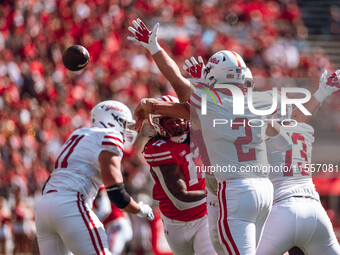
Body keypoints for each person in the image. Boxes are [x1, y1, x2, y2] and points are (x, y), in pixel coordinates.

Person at [128, 19, 293, 254]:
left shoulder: (209, 105)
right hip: (264, 188)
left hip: (234, 190)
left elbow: (177, 86)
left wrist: (154, 49)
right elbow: (283, 143)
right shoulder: (258, 103)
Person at [35, 100, 154, 255]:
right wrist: (140, 209)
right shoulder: (109, 135)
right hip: (71, 202)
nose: (126, 130)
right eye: (124, 124)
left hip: (44, 206)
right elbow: (116, 193)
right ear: (113, 121)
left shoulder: (77, 134)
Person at [143, 95, 216, 255]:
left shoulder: (199, 132)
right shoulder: (158, 149)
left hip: (204, 215)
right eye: (170, 120)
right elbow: (181, 200)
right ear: (157, 123)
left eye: (179, 118)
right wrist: (217, 194)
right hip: (175, 222)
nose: (177, 122)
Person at [93, 185, 133, 255]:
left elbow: (105, 210)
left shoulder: (100, 187)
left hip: (116, 226)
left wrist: (90, 224)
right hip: (122, 225)